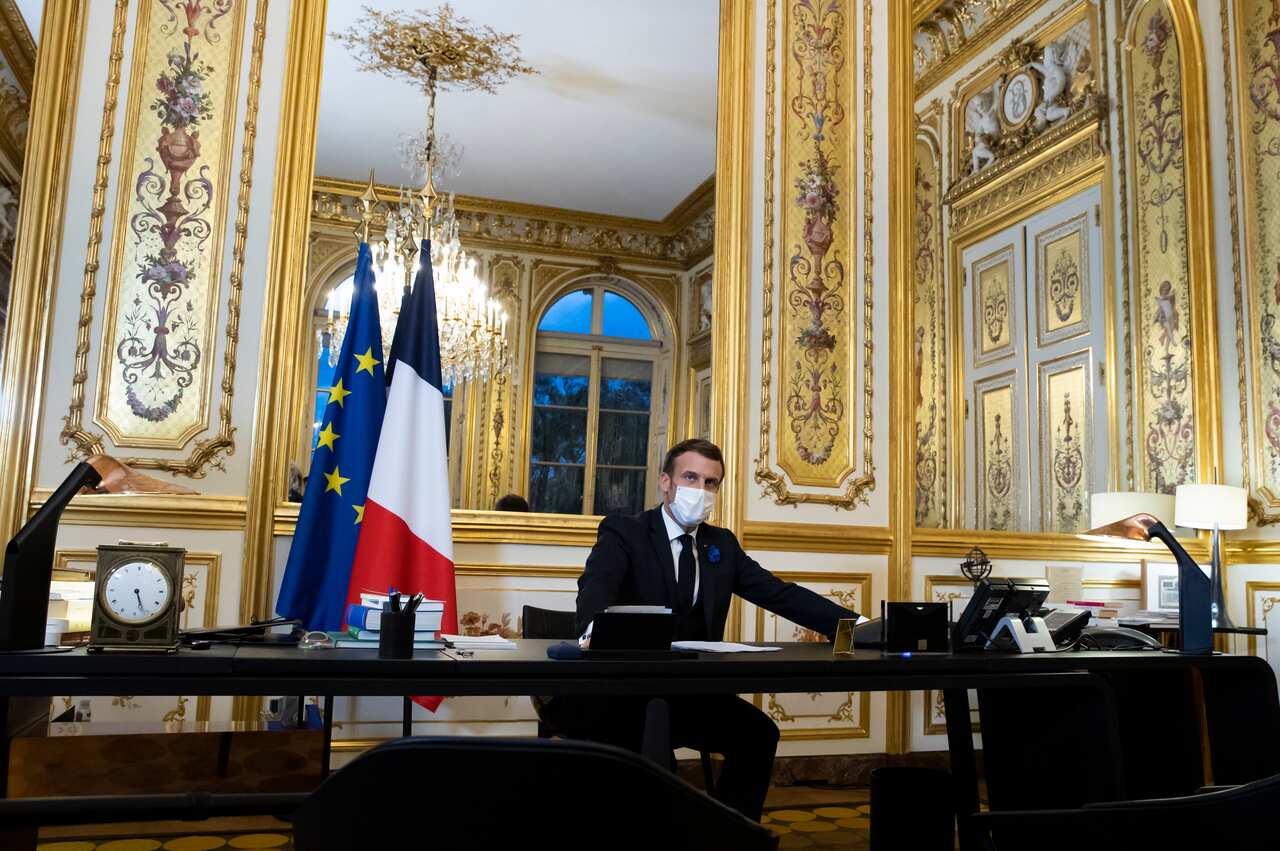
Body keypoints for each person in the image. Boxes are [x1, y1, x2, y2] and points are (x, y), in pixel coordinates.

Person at [549, 438, 860, 821]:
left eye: (710, 482)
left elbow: (779, 594)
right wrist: (595, 628)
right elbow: (596, 590)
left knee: (758, 735)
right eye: (690, 477)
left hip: (691, 693)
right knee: (653, 758)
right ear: (665, 482)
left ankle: (729, 834)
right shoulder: (625, 532)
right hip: (625, 695)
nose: (700, 490)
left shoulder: (721, 545)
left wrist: (853, 625)